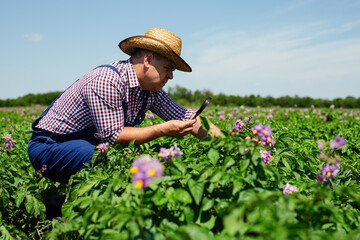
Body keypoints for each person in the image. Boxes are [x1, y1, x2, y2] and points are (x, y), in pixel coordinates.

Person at [28, 27, 221, 184]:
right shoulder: (106, 80)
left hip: (87, 145)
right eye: (168, 68)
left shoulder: (151, 91)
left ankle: (59, 204)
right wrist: (163, 129)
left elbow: (187, 117)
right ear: (148, 60)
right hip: (50, 147)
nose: (171, 76)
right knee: (105, 159)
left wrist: (233, 144)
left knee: (117, 159)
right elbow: (114, 137)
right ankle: (83, 219)